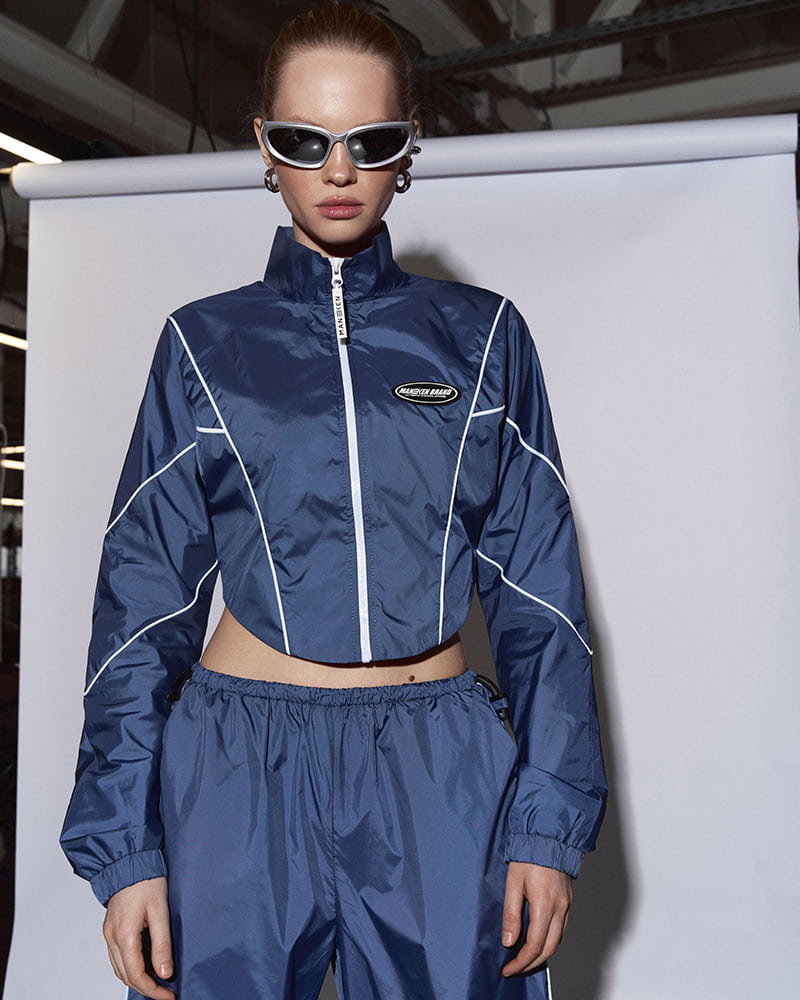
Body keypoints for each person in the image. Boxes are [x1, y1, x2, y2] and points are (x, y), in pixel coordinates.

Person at [59, 4, 607, 999]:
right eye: (307, 141)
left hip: (435, 769)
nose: (340, 169)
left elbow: (542, 600)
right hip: (238, 769)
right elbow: (141, 606)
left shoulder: (484, 338)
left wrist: (548, 821)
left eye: (372, 139)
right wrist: (125, 842)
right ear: (266, 149)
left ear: (409, 149)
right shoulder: (202, 345)